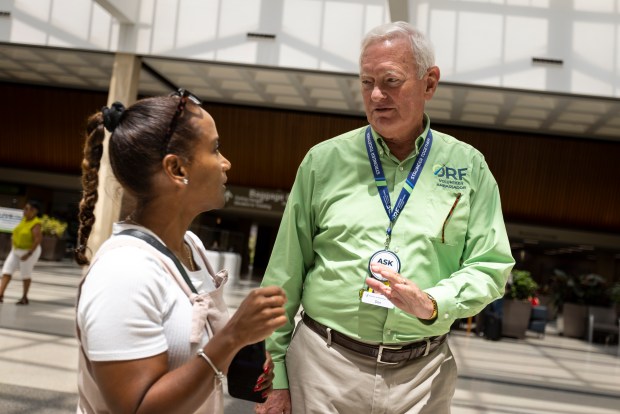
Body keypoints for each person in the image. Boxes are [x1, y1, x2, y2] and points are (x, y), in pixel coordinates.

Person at [257, 21, 515, 413]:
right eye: (366, 82)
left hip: (422, 378)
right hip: (323, 367)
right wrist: (276, 373)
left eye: (391, 81)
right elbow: (284, 272)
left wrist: (432, 303)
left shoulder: (468, 168)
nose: (376, 95)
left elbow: (491, 265)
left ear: (429, 83)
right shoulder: (324, 162)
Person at [74, 90, 287, 414]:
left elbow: (195, 358)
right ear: (176, 168)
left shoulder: (192, 248)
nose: (226, 162)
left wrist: (242, 351)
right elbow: (136, 407)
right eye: (215, 149)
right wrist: (232, 337)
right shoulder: (123, 273)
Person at [0, 200, 43, 305]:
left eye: (29, 209)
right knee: (6, 271)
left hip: (29, 251)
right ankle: (0, 295)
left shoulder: (36, 223)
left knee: (25, 274)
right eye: (25, 208)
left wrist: (29, 253)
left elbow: (38, 239)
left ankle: (24, 298)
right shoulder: (24, 220)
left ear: (35, 211)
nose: (26, 211)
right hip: (16, 250)